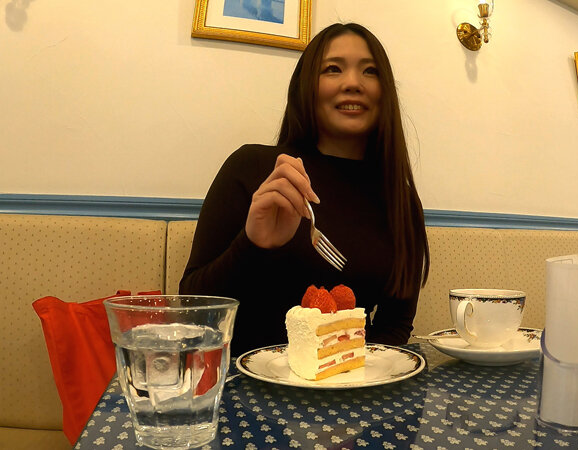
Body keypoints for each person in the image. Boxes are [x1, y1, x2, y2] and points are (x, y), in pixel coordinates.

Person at [180, 23, 429, 356]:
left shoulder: (400, 199)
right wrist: (252, 245)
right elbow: (191, 309)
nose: (353, 83)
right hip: (245, 381)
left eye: (370, 71)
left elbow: (395, 323)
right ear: (306, 86)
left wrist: (363, 374)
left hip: (352, 381)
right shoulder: (254, 169)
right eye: (333, 69)